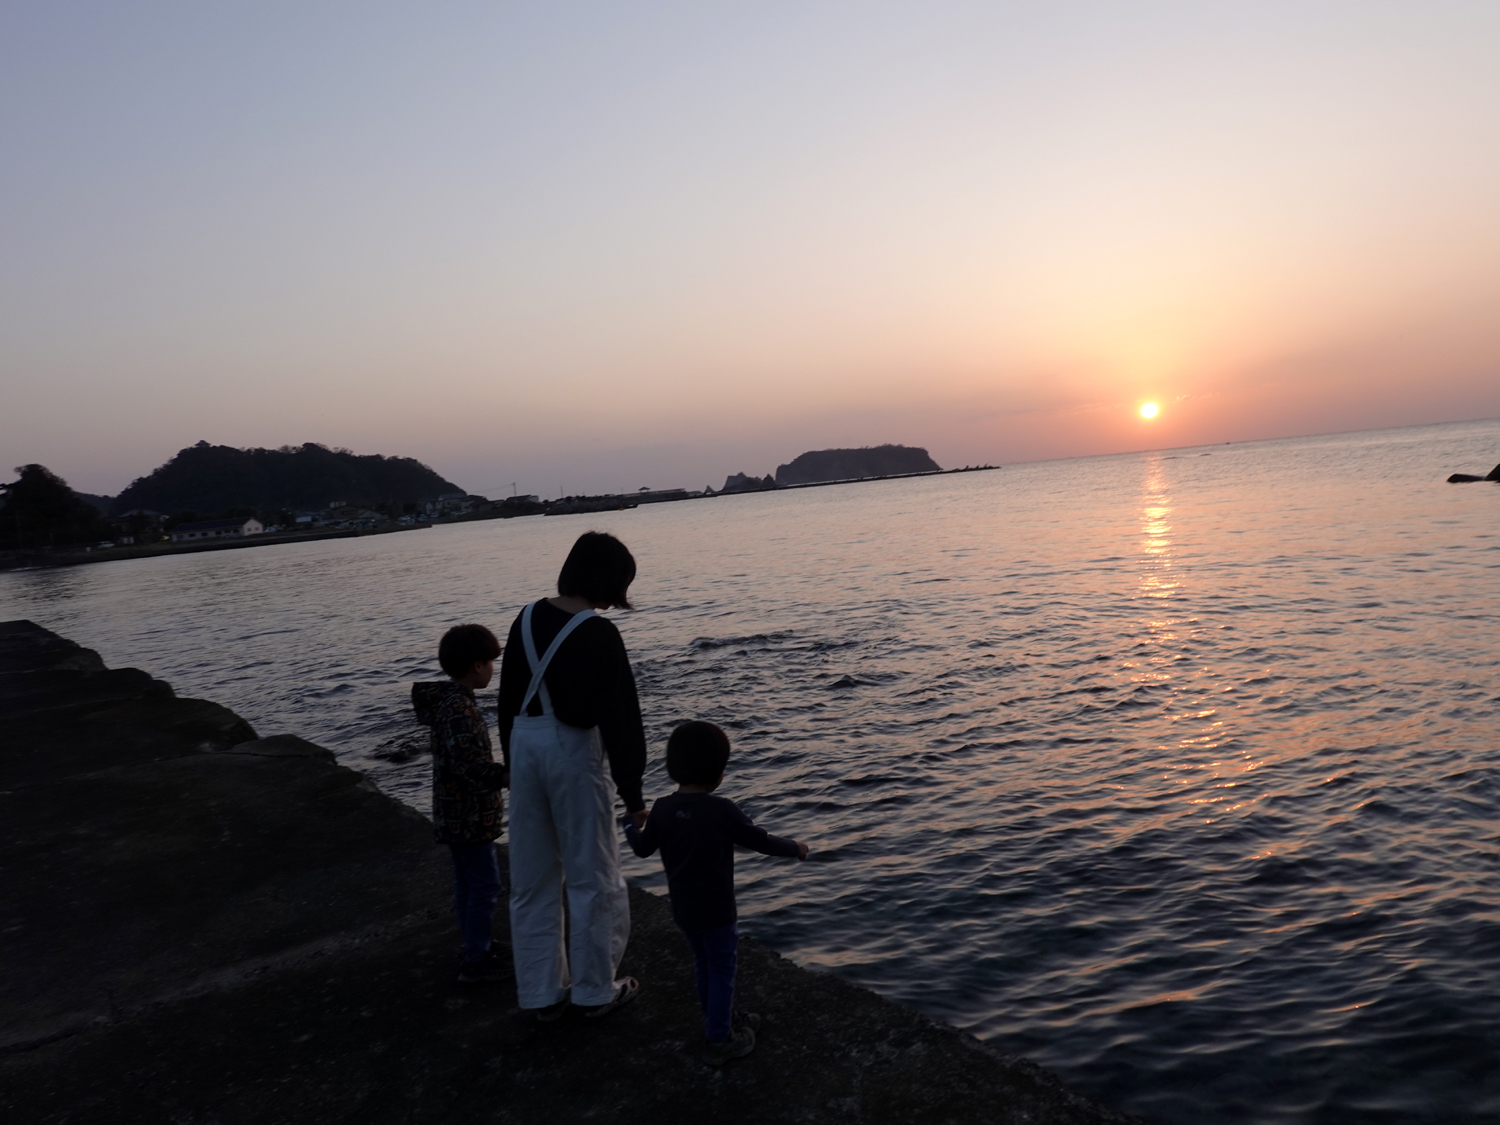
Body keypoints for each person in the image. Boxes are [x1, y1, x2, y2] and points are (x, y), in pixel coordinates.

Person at [498, 531, 647, 1021]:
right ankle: (594, 989)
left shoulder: (524, 618)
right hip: (571, 752)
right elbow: (620, 715)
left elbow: (506, 703)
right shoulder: (598, 632)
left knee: (532, 880)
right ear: (607, 582)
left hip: (523, 747)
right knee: (593, 876)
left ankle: (540, 994)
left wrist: (513, 767)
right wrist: (633, 793)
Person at [624, 720, 808, 1066]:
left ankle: (718, 1020)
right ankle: (719, 1038)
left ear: (673, 766)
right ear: (719, 774)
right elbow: (760, 841)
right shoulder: (722, 810)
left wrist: (628, 825)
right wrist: (795, 847)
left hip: (683, 911)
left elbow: (642, 848)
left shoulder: (662, 808)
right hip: (718, 912)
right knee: (723, 969)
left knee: (703, 964)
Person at [411, 623, 508, 983]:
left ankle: (474, 945)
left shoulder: (449, 703)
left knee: (466, 884)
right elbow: (469, 765)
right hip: (469, 816)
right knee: (484, 886)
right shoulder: (460, 709)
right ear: (476, 665)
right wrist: (505, 776)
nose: (493, 669)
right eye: (490, 662)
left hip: (452, 813)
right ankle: (476, 960)